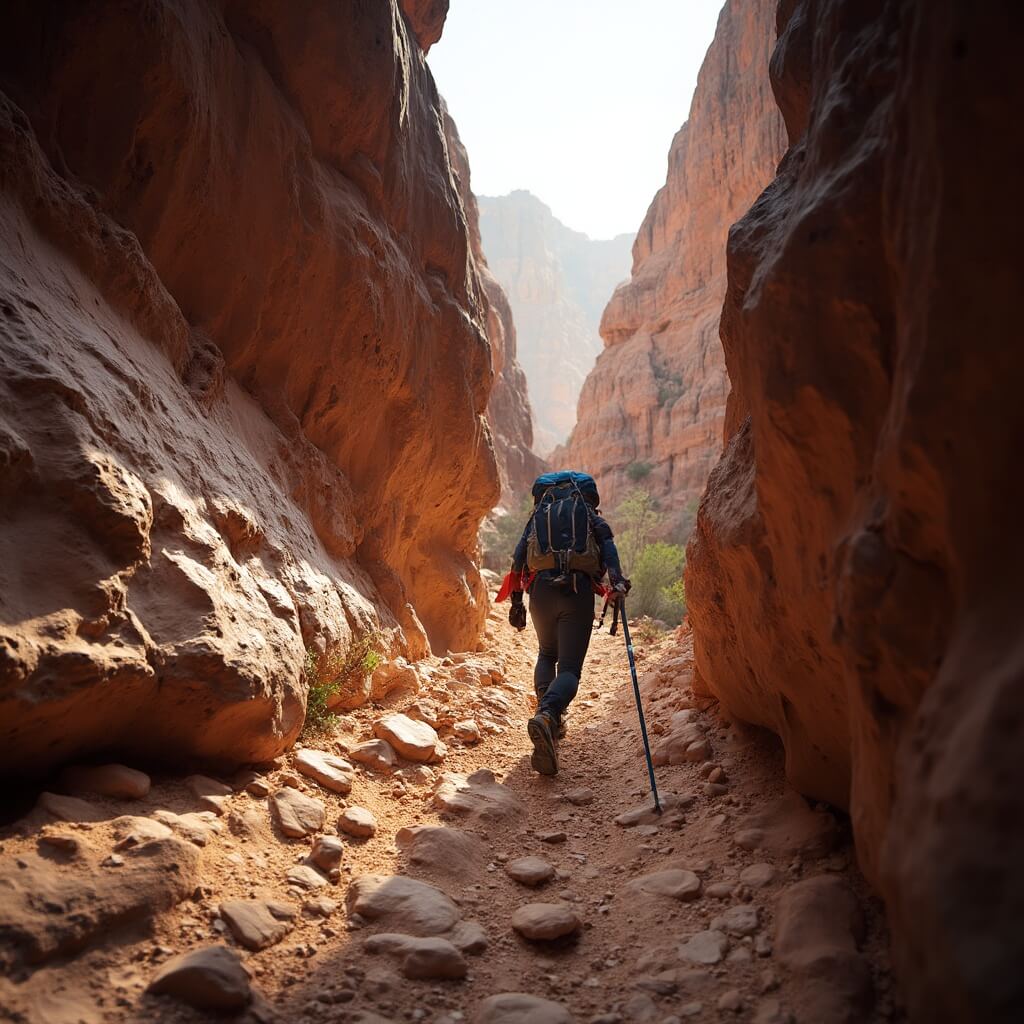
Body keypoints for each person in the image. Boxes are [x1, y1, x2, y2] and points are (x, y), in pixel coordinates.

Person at [504, 471, 630, 775]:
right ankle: (548, 716)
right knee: (570, 668)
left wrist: (517, 602)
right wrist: (617, 582)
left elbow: (519, 557)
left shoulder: (537, 517)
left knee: (547, 653)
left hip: (541, 592)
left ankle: (548, 718)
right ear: (587, 496)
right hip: (577, 591)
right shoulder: (589, 516)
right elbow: (608, 546)